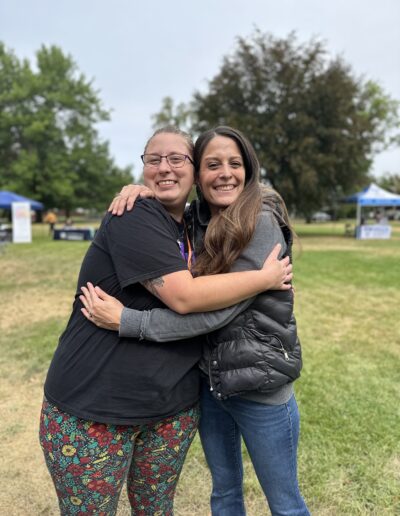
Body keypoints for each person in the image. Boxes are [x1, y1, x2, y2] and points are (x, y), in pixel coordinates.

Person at [39, 126, 293, 516]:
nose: (165, 168)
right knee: (219, 494)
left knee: (173, 508)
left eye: (177, 159)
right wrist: (264, 278)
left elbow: (205, 305)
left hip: (203, 400)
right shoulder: (146, 216)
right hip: (99, 407)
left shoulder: (230, 223)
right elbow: (185, 297)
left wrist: (129, 320)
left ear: (191, 173)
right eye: (153, 160)